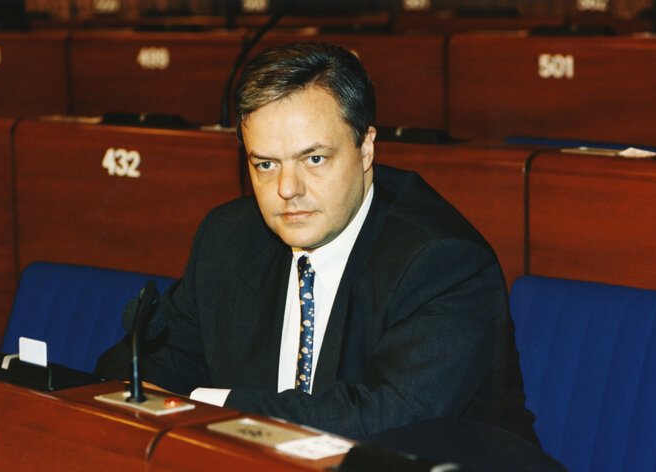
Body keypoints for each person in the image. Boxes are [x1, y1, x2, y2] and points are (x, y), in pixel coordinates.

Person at [96, 41, 538, 444]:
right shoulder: (229, 239)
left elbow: (385, 420)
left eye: (314, 158)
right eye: (266, 164)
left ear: (366, 149)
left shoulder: (441, 261)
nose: (288, 188)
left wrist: (200, 404)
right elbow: (141, 366)